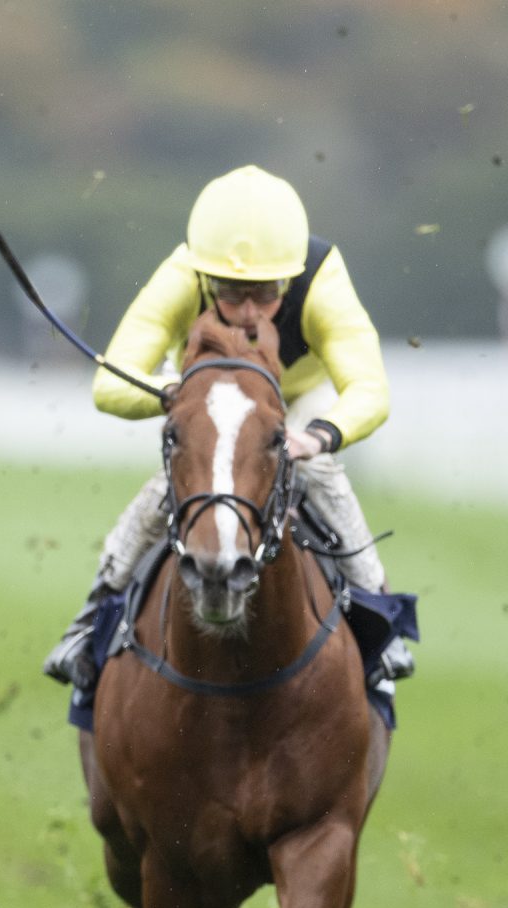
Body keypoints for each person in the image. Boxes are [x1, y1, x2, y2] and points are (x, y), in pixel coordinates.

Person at [42, 164, 408, 689]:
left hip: (297, 401)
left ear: (290, 275)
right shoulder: (182, 273)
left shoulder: (322, 276)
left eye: (266, 293)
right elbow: (109, 385)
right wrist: (174, 394)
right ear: (205, 277)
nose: (249, 313)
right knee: (183, 484)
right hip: (207, 399)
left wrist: (318, 436)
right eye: (232, 293)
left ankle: (379, 613)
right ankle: (92, 616)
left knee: (322, 471)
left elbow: (371, 390)